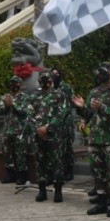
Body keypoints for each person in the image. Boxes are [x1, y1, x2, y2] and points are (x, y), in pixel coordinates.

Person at [73, 62, 110, 218]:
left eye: (105, 71)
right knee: (98, 172)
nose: (101, 74)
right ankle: (102, 203)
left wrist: (102, 107)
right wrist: (82, 108)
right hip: (95, 139)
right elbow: (89, 115)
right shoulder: (94, 92)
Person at [32, 71, 70, 203]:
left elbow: (62, 114)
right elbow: (30, 114)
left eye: (47, 80)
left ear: (51, 81)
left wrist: (47, 128)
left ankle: (58, 190)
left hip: (54, 134)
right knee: (40, 161)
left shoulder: (59, 95)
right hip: (38, 134)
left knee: (57, 162)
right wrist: (38, 129)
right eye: (42, 81)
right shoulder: (35, 96)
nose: (44, 83)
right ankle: (42, 190)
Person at [0, 76, 33, 186]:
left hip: (19, 130)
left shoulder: (25, 97)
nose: (14, 86)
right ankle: (10, 175)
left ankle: (22, 176)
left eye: (16, 84)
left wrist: (13, 104)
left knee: (20, 153)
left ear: (20, 85)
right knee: (7, 152)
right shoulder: (5, 97)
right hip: (7, 130)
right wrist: (6, 105)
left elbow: (24, 111)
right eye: (12, 84)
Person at [50, 67, 77, 181]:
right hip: (54, 121)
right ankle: (57, 172)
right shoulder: (49, 87)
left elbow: (71, 102)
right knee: (56, 147)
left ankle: (69, 171)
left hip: (66, 121)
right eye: (52, 74)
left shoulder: (66, 87)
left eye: (56, 74)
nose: (54, 76)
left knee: (67, 147)